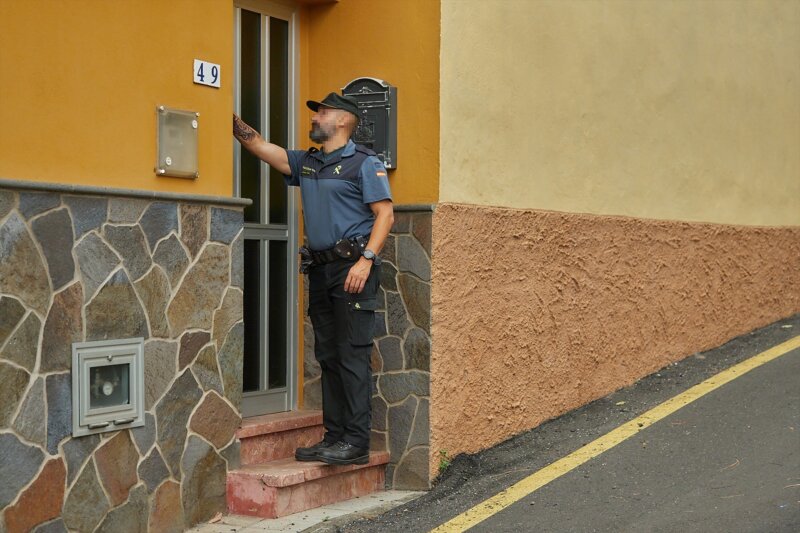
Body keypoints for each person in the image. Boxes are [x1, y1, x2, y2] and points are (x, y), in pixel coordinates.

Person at [233, 92, 393, 465]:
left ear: (341, 120)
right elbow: (259, 145)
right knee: (328, 355)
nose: (315, 117)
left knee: (352, 356)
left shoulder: (364, 163)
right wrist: (227, 116)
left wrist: (366, 260)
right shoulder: (308, 163)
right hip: (321, 270)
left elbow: (384, 215)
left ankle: (355, 442)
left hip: (353, 269)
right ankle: (335, 437)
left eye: (321, 112)